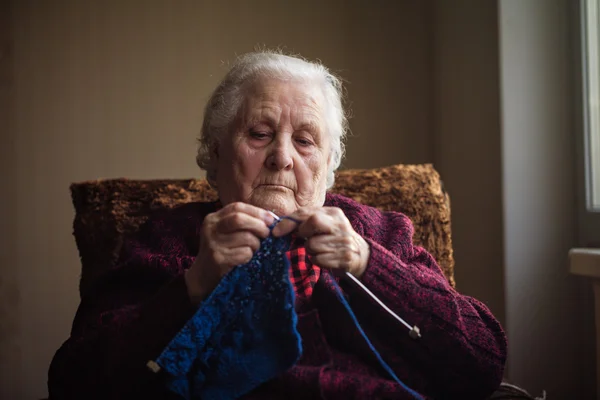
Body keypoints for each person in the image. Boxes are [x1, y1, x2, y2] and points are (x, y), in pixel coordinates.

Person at [48, 51, 507, 399]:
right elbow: (74, 381)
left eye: (305, 141)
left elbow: (483, 361)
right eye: (259, 134)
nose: (281, 157)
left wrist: (370, 264)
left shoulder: (379, 232)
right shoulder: (169, 238)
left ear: (328, 168)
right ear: (215, 154)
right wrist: (193, 286)